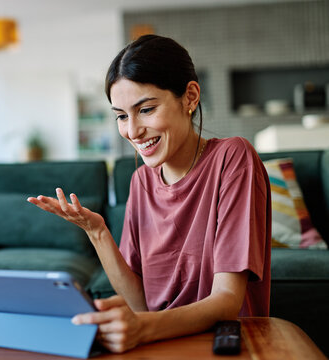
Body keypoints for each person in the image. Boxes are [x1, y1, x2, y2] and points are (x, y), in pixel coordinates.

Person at [27, 34, 271, 354]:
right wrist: (97, 231)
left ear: (190, 97)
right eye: (121, 115)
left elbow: (227, 301)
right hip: (161, 341)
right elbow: (141, 304)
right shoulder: (141, 181)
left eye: (146, 109)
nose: (133, 130)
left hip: (220, 345)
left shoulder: (233, 158)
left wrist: (141, 328)